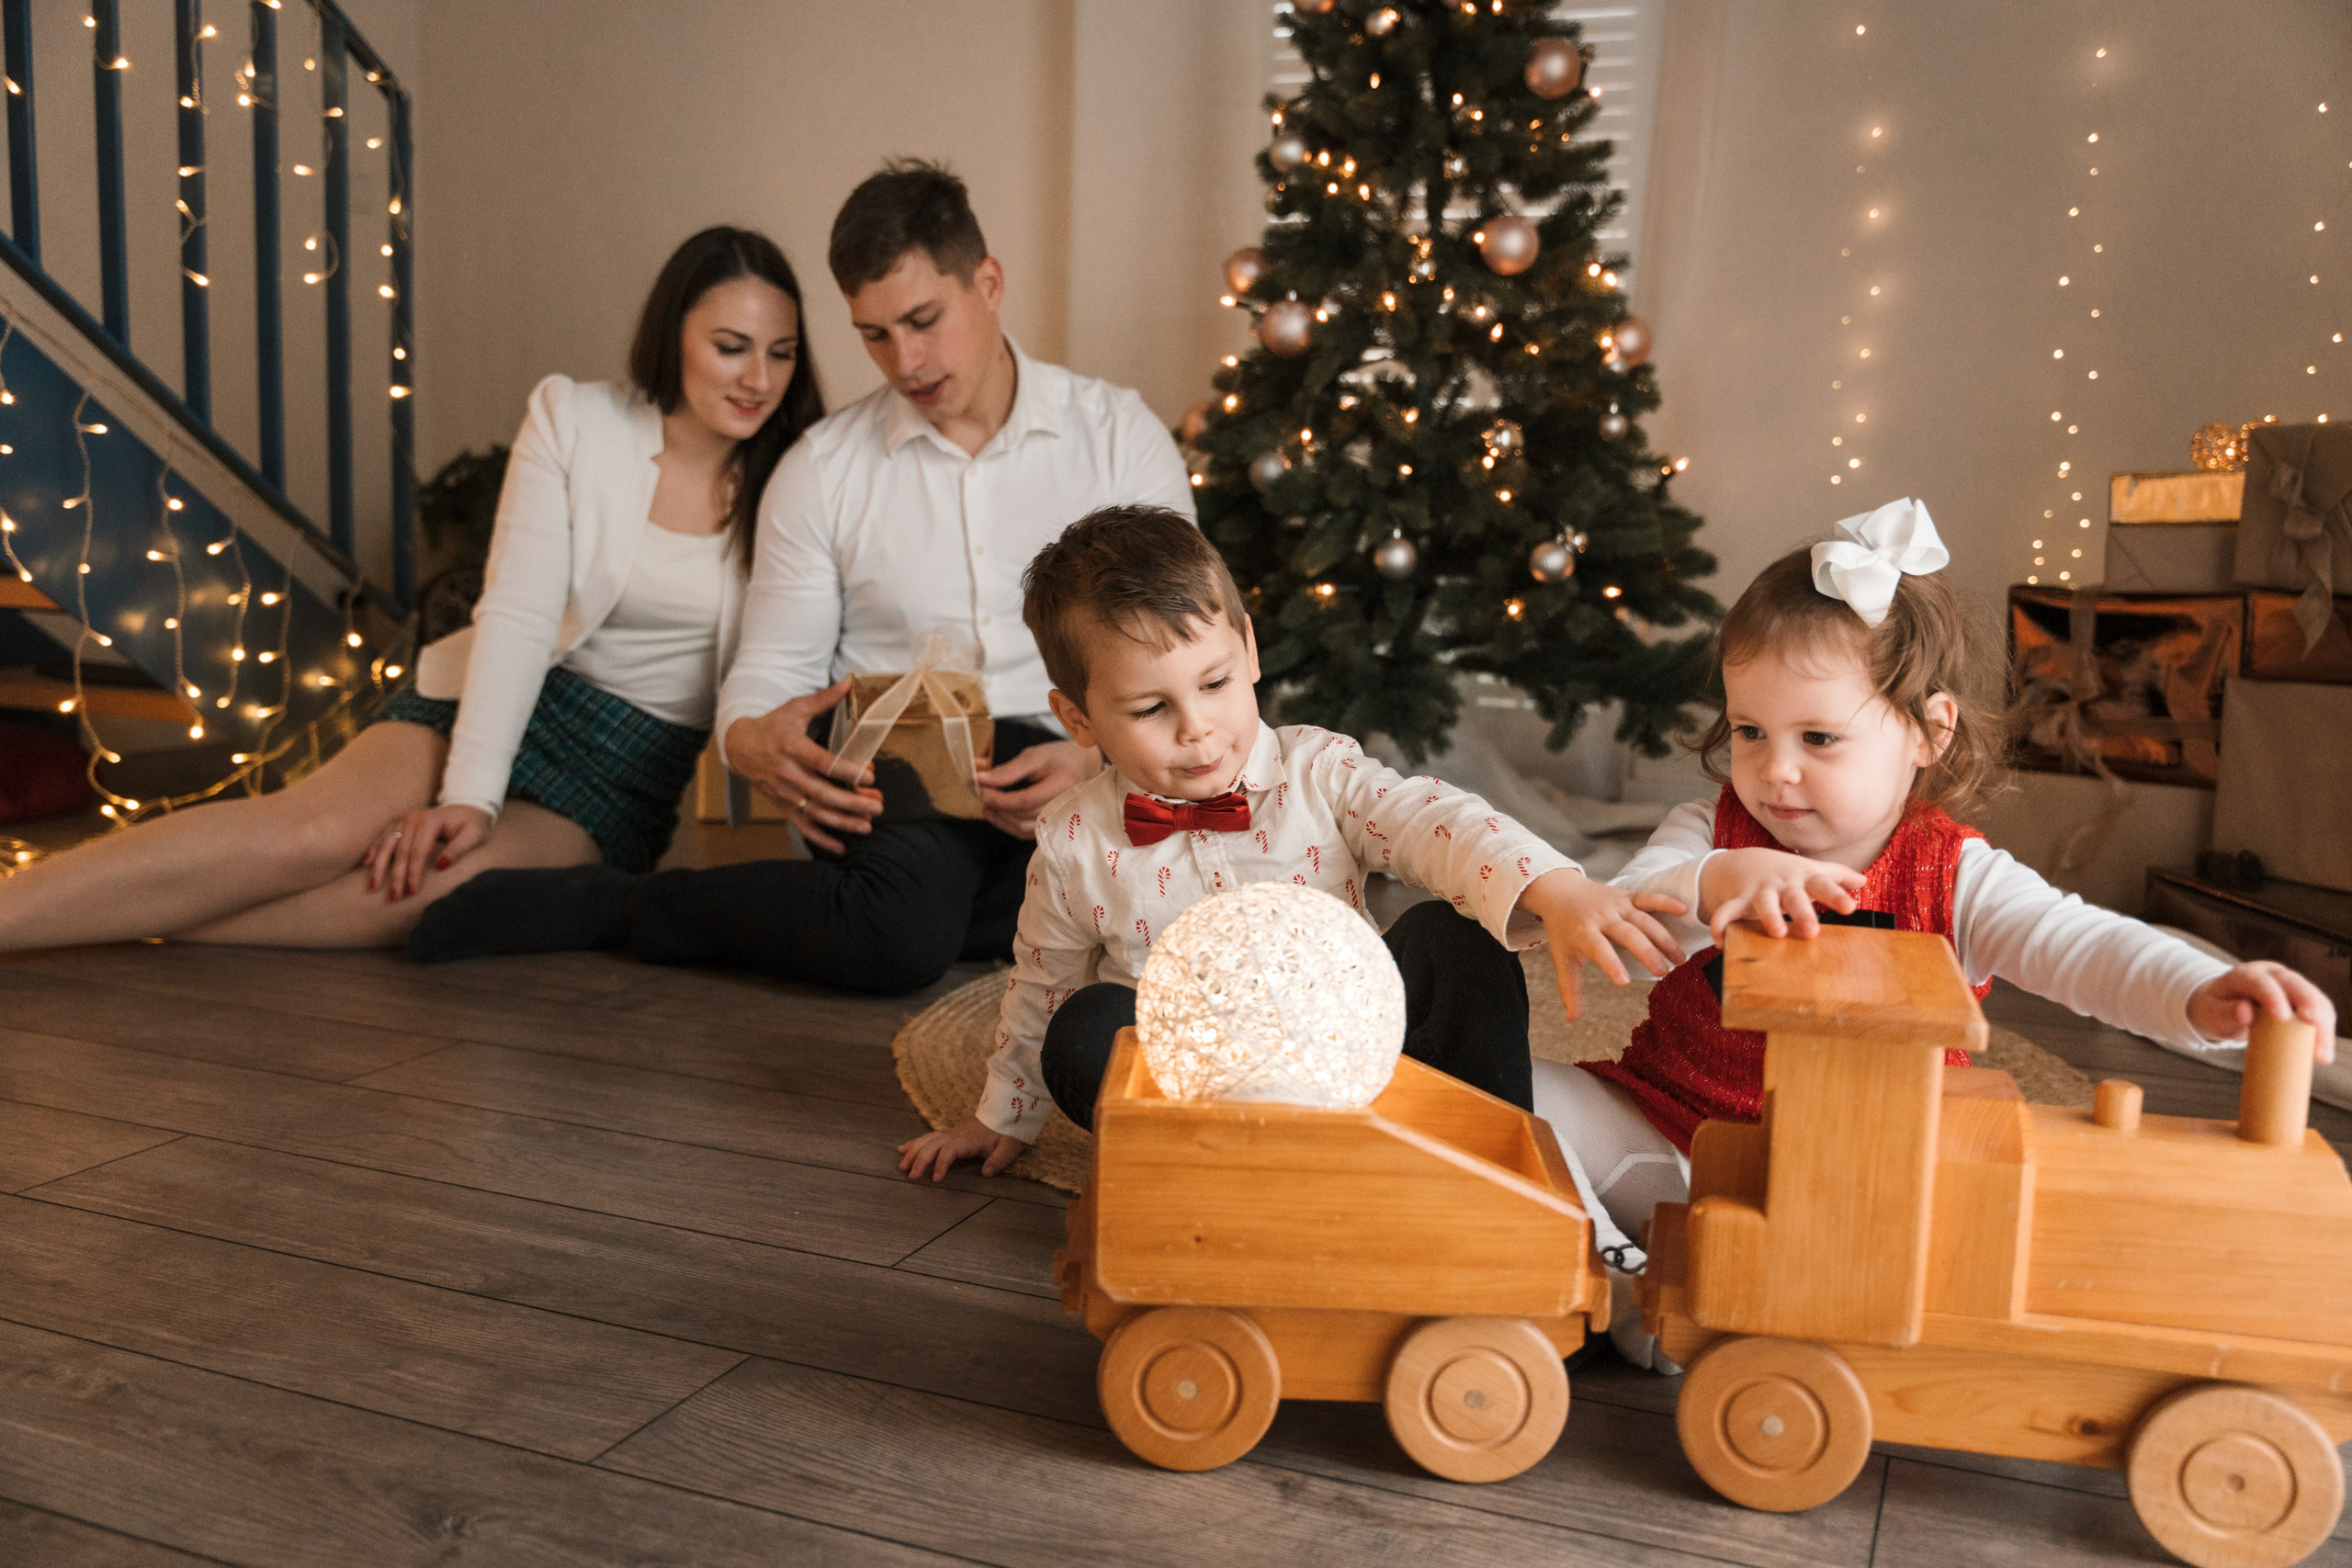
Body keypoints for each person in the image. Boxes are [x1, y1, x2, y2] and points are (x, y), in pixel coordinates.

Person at [1530, 497, 2342, 1370]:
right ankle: (1628, 1264)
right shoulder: (1709, 830)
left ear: (1928, 731)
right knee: (1510, 1090)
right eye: (1750, 732)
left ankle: (1685, 1282)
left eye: (1819, 737)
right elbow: (1628, 906)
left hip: (1851, 1187)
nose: (1776, 770)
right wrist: (1715, 879)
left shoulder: (1956, 876)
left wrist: (2196, 990)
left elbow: (2079, 944)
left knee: (1958, 1224)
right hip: (1662, 1132)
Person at [411, 161, 1196, 988]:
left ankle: (955, 905)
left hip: (1077, 752)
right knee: (903, 935)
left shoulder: (1120, 437)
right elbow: (770, 671)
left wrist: (1097, 763)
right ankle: (625, 905)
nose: (905, 360)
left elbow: (1177, 646)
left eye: (923, 320)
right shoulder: (822, 468)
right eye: (874, 334)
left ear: (989, 283)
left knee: (1182, 885)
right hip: (897, 760)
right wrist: (753, 738)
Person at [0, 226, 822, 951]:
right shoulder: (576, 419)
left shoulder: (806, 478)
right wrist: (472, 794)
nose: (759, 377)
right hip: (494, 697)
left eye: (781, 353)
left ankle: (109, 914)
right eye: (732, 346)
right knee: (315, 833)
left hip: (622, 773)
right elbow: (518, 614)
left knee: (421, 891)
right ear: (673, 336)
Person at [893, 503, 1690, 1181]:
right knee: (1085, 1026)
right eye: (1150, 709)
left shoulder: (1319, 769)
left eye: (1214, 684)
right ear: (1078, 718)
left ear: (1248, 650)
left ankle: (1488, 1171)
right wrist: (1001, 1116)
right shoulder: (1072, 840)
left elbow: (1432, 819)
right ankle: (1244, 1179)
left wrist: (1554, 887)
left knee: (1455, 939)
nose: (1197, 728)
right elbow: (1041, 984)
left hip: (1363, 1051)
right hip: (1201, 1087)